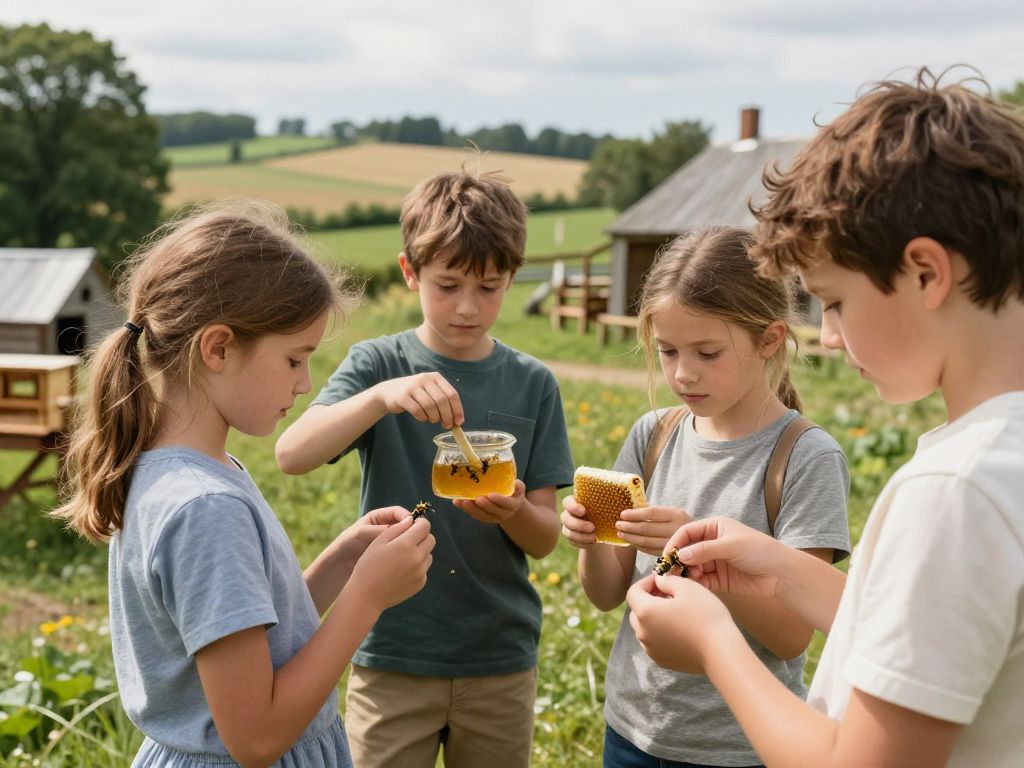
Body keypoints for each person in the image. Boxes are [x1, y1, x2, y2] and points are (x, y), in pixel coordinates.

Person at [628, 69, 1024, 768]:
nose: (832, 337)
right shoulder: (1001, 461)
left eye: (834, 301)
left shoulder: (956, 493)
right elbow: (945, 644)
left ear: (926, 273)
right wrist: (780, 570)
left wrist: (715, 643)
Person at [52, 203, 435, 768]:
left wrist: (341, 565)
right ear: (218, 347)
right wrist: (367, 598)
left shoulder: (190, 472)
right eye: (294, 359)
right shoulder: (203, 507)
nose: (306, 384)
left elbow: (244, 640)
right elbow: (256, 738)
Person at [275, 171, 575, 768]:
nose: (468, 306)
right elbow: (292, 454)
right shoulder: (378, 364)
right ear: (410, 272)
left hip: (498, 657)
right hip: (391, 651)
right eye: (448, 285)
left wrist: (513, 512)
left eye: (489, 287)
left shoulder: (532, 382)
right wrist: (382, 397)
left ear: (513, 278)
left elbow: (544, 539)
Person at [561, 225, 851, 768]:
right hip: (633, 731)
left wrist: (692, 554)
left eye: (708, 352)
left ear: (769, 339)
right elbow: (605, 593)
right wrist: (591, 538)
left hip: (740, 747)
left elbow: (790, 637)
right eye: (668, 351)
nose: (682, 373)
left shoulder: (805, 458)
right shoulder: (654, 435)